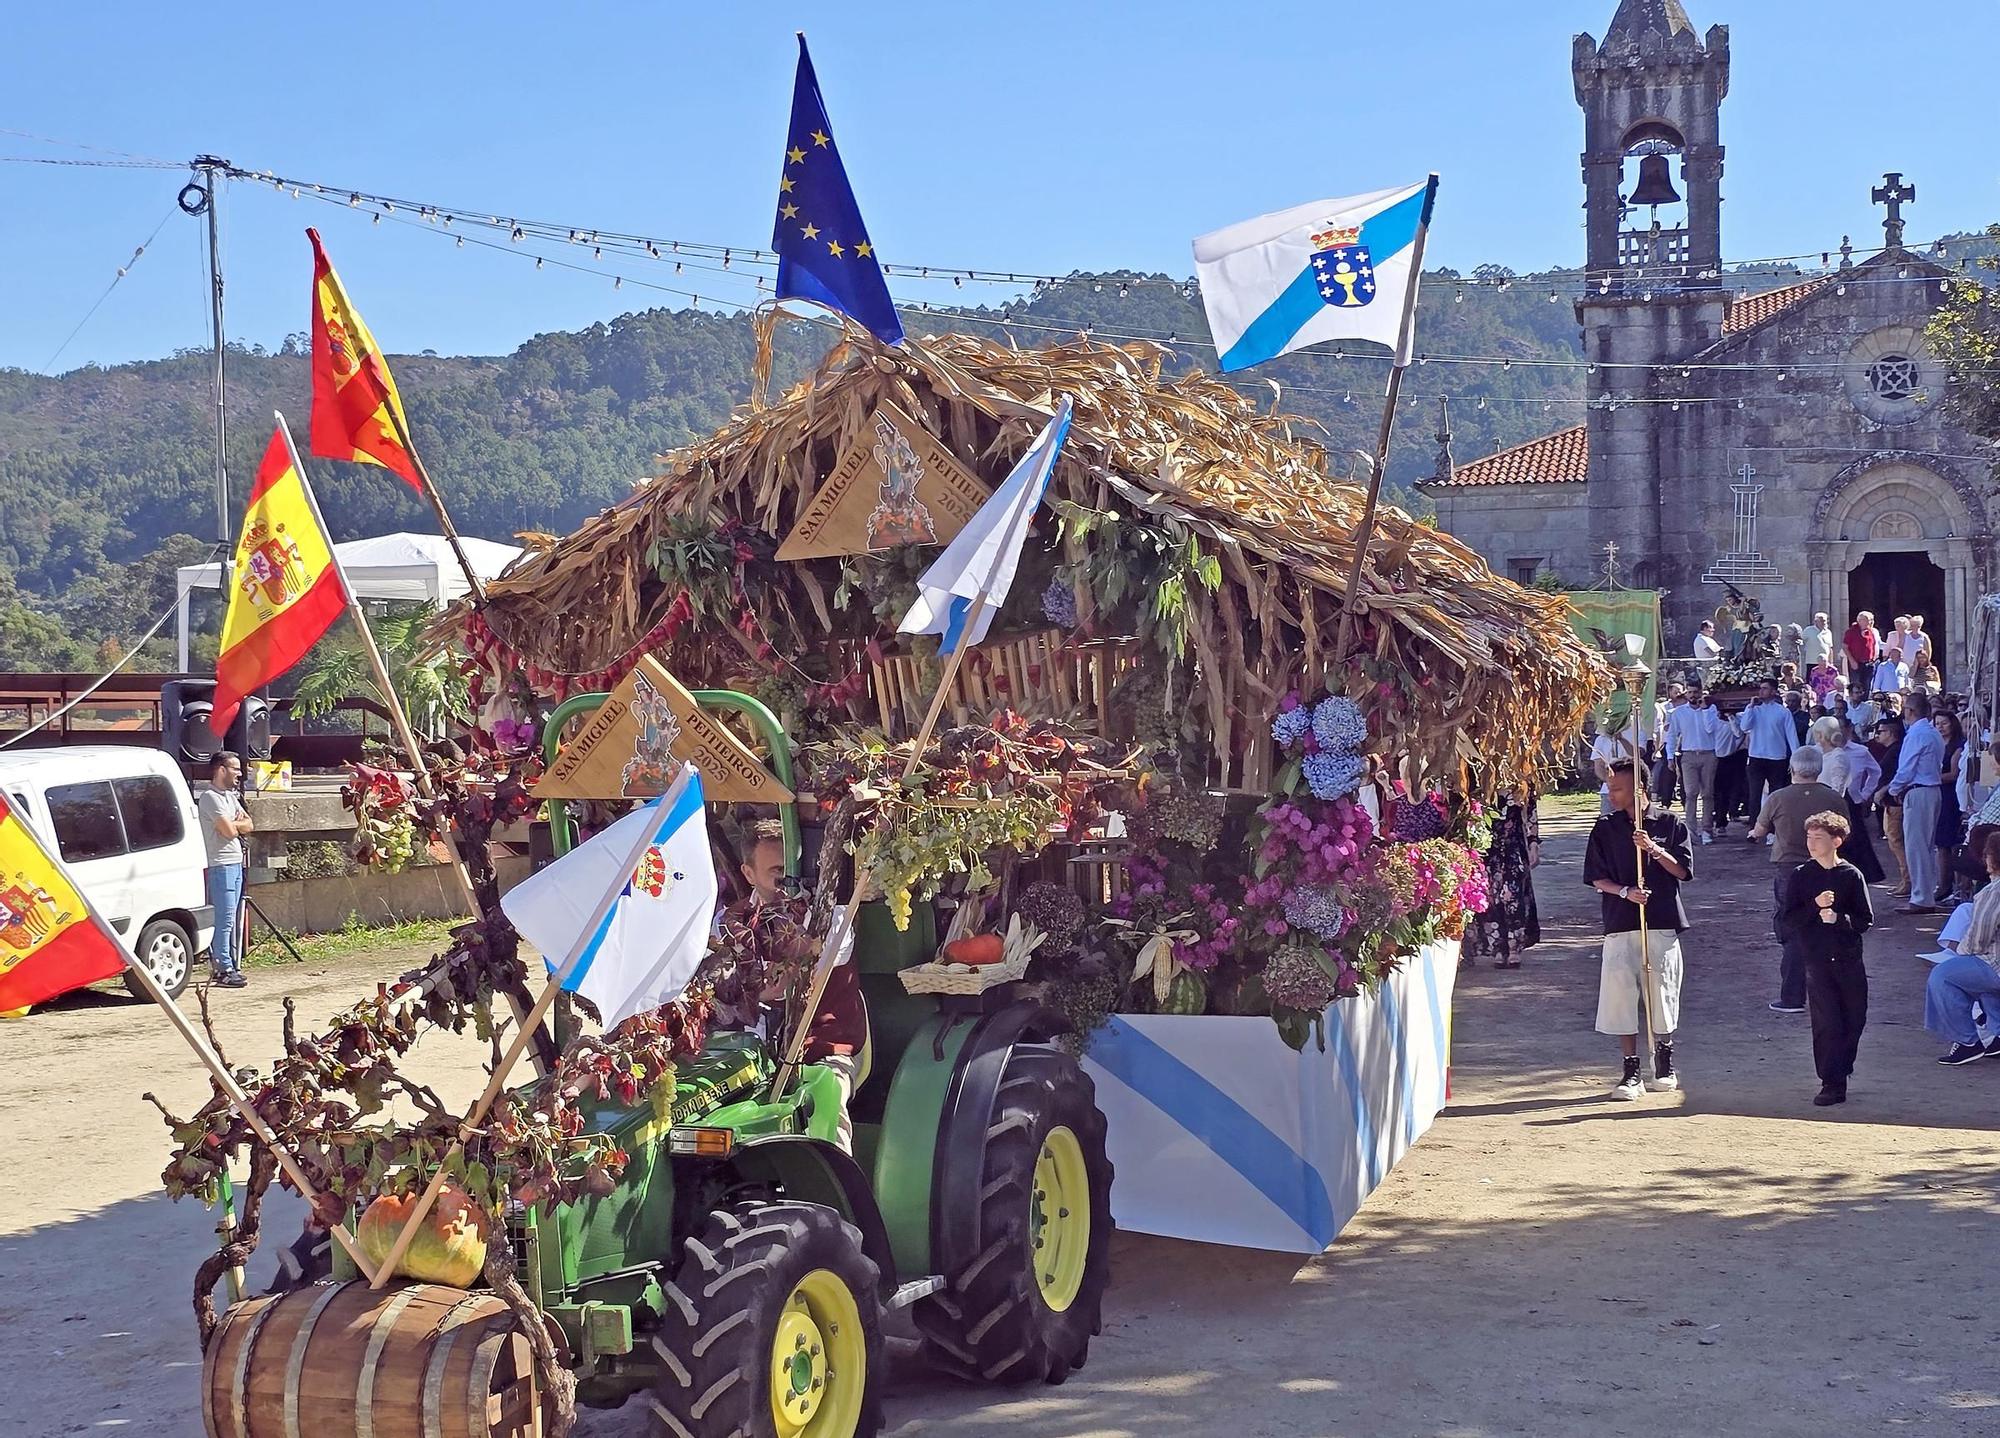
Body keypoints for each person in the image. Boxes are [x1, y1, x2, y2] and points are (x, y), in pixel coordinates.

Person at [742, 819, 866, 1153]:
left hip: (822, 1052)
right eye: (777, 872)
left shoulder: (830, 919)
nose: (787, 881)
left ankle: (836, 1175)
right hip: (751, 1055)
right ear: (749, 873)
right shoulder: (730, 922)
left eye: (791, 870)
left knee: (825, 1098)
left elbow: (815, 963)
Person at [1583, 760, 1693, 1100]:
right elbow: (1595, 877)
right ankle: (1630, 1070)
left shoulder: (1671, 823)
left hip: (1661, 919)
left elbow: (1683, 871)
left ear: (1639, 789)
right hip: (1620, 920)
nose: (1611, 795)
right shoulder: (1605, 827)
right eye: (1609, 788)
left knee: (1662, 990)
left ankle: (1664, 1061)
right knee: (1620, 995)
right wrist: (1624, 892)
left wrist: (1654, 849)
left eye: (1617, 789)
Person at [1777, 810, 1873, 1106]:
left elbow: (1865, 919)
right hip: (1816, 960)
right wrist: (1814, 907)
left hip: (1849, 959)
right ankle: (1831, 1082)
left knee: (1854, 1019)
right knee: (1827, 1023)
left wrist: (1839, 919)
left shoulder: (1851, 875)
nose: (1811, 843)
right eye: (1809, 837)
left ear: (1836, 841)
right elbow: (1787, 920)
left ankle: (1842, 1066)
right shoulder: (1801, 875)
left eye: (1818, 838)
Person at [1749, 746, 1846, 1014]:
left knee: (1793, 929)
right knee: (1829, 926)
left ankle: (1792, 996)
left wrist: (1755, 834)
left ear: (1792, 768)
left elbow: (1759, 830)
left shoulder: (1778, 798)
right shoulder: (1833, 798)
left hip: (1789, 867)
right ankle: (1832, 994)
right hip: (1827, 867)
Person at [1925, 830, 2000, 1065]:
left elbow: (1979, 939)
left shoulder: (1993, 892)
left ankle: (1967, 1041)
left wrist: (1959, 952)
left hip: (1996, 965)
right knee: (1977, 980)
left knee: (1942, 976)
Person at [1888, 691, 1947, 914]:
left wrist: (1893, 789)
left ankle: (1922, 898)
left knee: (1917, 847)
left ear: (1910, 711)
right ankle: (1925, 894)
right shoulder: (1932, 733)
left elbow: (1906, 767)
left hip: (1919, 790)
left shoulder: (1917, 734)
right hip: (1931, 790)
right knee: (1926, 846)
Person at [197, 753, 253, 989]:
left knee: (232, 918)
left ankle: (231, 964)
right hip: (221, 866)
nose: (239, 774)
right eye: (235, 769)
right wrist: (236, 824)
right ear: (221, 770)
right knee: (224, 918)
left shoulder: (230, 797)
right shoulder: (210, 798)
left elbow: (249, 824)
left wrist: (235, 824)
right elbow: (228, 831)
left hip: (235, 863)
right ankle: (223, 968)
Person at [1468, 794, 1541, 969]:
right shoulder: (1480, 784)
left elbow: (1530, 813)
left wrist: (1533, 845)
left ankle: (1514, 947)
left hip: (1514, 848)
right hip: (1488, 850)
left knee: (1513, 896)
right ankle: (1498, 947)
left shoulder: (1520, 785)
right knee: (1491, 898)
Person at [1813, 716, 1886, 883]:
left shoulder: (1843, 755)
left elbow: (1839, 786)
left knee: (1851, 842)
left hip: (1843, 802)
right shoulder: (1817, 752)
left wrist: (1865, 794)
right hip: (1825, 800)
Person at [1738, 679, 1796, 832]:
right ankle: (1754, 828)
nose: (1761, 691)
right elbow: (1744, 727)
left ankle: (1773, 830)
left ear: (1773, 691)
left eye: (1765, 688)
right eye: (1761, 688)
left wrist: (1795, 757)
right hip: (1756, 757)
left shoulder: (1783, 712)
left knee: (1775, 795)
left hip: (1777, 758)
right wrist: (1750, 707)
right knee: (1755, 794)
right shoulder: (1754, 710)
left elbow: (1791, 736)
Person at [1667, 685, 1720, 843]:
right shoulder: (1679, 713)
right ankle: (1691, 830)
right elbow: (1672, 735)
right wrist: (1670, 757)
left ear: (1701, 693)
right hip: (1688, 755)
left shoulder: (1711, 710)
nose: (1692, 695)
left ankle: (1707, 829)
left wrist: (1705, 709)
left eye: (1695, 692)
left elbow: (1711, 729)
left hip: (1708, 754)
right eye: (1689, 692)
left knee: (1707, 793)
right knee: (1690, 793)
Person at [1871, 714, 1910, 898]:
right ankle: (1905, 879)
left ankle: (1907, 880)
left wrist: (1883, 791)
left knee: (1897, 841)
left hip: (1895, 802)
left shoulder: (1896, 751)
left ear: (1890, 733)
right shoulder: (1891, 750)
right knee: (1895, 841)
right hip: (1890, 802)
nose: (1877, 735)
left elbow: (1898, 775)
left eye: (1880, 731)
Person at [1933, 708, 1968, 905]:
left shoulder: (1958, 746)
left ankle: (1952, 886)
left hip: (1951, 797)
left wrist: (1929, 778)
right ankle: (1943, 885)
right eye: (1937, 723)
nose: (1940, 727)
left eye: (1944, 723)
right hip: (1938, 795)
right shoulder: (1936, 744)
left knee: (1951, 843)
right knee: (1941, 843)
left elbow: (1954, 774)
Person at [1712, 700, 1749, 832]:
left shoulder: (1739, 718)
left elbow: (1738, 733)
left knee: (1733, 789)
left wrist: (1730, 717)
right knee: (1718, 792)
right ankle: (1719, 819)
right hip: (1717, 758)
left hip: (1734, 757)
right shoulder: (1713, 720)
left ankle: (1729, 814)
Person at [1841, 609, 1878, 678]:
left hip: (1869, 663)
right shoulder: (1851, 631)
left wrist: (1873, 659)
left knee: (1868, 684)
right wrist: (1852, 661)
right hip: (1856, 663)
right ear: (1859, 620)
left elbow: (1873, 645)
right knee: (1856, 684)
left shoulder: (1871, 631)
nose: (1868, 622)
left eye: (1869, 620)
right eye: (1865, 620)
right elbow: (1845, 646)